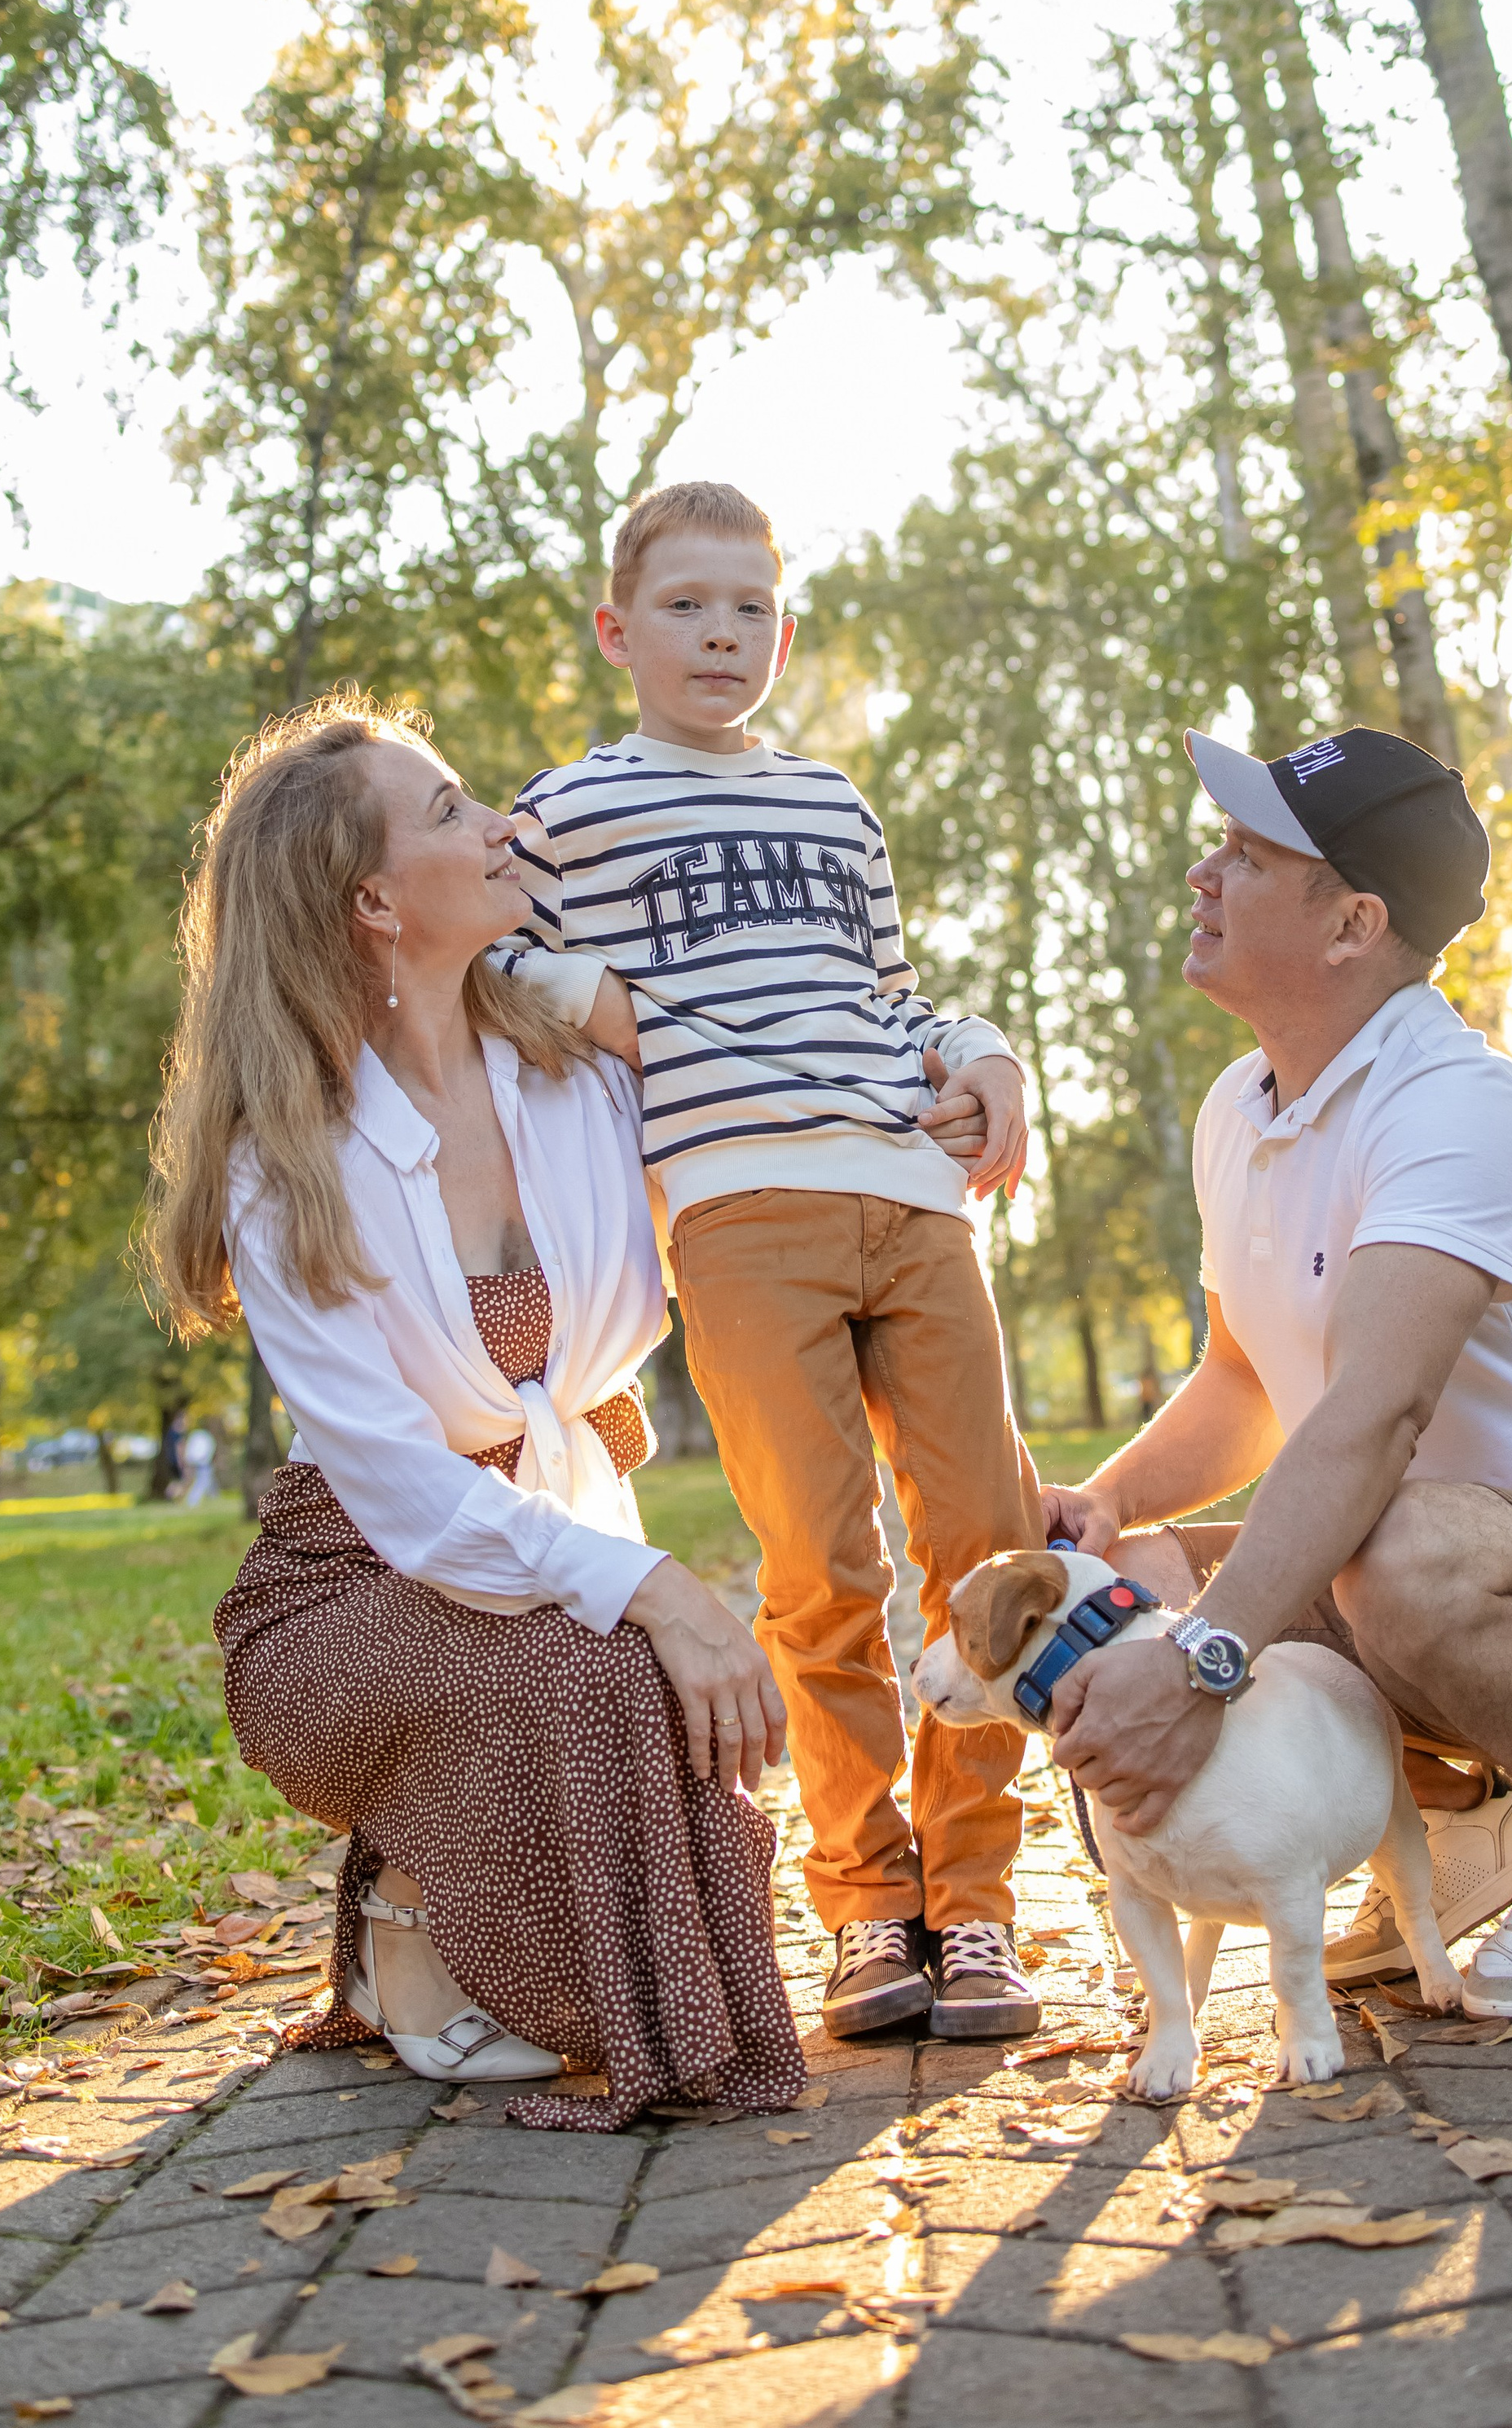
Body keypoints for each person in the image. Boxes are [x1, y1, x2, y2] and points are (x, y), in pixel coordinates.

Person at [143, 694, 802, 2130]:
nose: (502, 825)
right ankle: (404, 1917)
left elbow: (790, 1043)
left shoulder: (575, 1068)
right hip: (346, 1587)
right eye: (450, 811)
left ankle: (467, 1915)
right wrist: (656, 1589)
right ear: (373, 900)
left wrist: (969, 1056)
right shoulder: (287, 1163)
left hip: (534, 1529)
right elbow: (409, 1496)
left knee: (619, 1667)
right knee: (603, 1666)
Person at [1043, 723, 1512, 2021]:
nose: (1206, 874)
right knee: (1131, 1575)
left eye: (1251, 857)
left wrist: (1206, 1663)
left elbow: (1375, 1417)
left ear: (1350, 924)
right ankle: (1441, 1815)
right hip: (1413, 1564)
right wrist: (1107, 1507)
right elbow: (1246, 1386)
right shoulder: (1236, 1108)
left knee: (1395, 1551)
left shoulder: (1451, 1106)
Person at [491, 480, 1045, 2044]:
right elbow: (473, 946)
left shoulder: (833, 806)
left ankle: (985, 1904)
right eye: (684, 605)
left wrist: (983, 1047)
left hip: (915, 1193)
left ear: (784, 635)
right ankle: (870, 1905)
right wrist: (571, 991)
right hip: (738, 1211)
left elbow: (891, 991)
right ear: (618, 631)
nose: (719, 632)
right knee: (820, 1564)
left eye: (749, 608)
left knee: (988, 1550)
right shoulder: (573, 809)